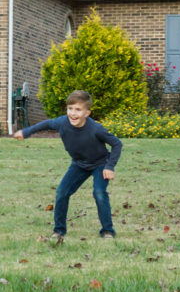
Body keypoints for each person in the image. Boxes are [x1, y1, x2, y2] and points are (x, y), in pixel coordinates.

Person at [13, 90, 120, 239]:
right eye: (70, 109)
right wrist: (26, 132)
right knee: (62, 192)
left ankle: (107, 230)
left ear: (87, 113)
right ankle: (59, 230)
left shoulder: (96, 129)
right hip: (79, 164)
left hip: (99, 164)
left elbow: (116, 144)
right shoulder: (62, 122)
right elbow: (46, 124)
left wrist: (110, 166)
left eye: (78, 110)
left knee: (99, 193)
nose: (73, 113)